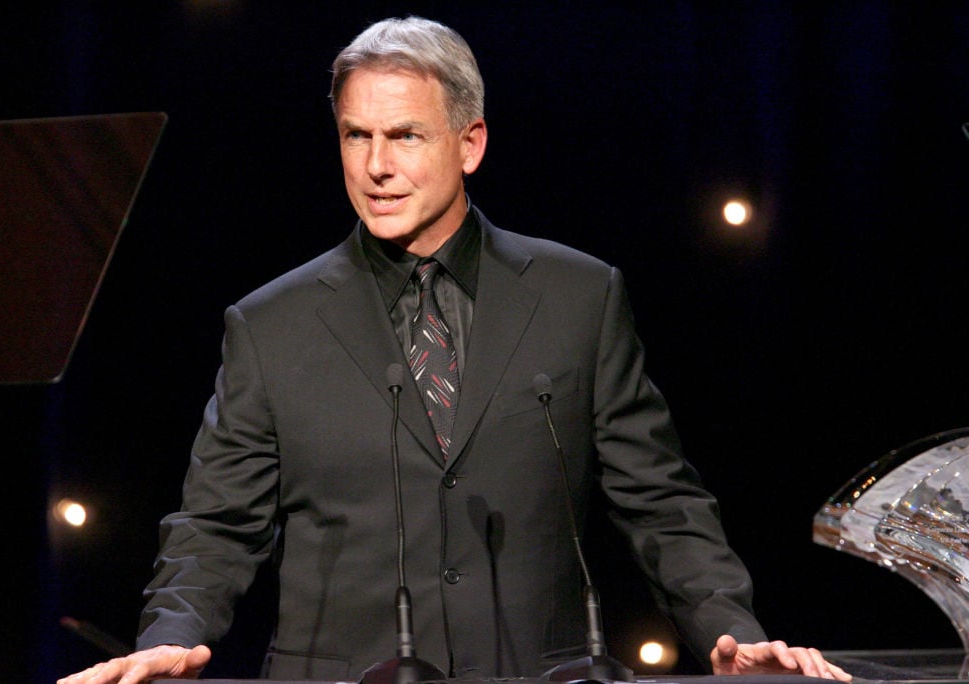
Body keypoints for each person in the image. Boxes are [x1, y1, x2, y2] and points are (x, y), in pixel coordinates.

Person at [59, 16, 849, 684]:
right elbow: (215, 526)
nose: (375, 166)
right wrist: (169, 635)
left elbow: (661, 501)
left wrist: (729, 626)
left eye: (404, 136)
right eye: (356, 136)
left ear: (470, 143)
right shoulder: (272, 324)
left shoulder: (579, 296)